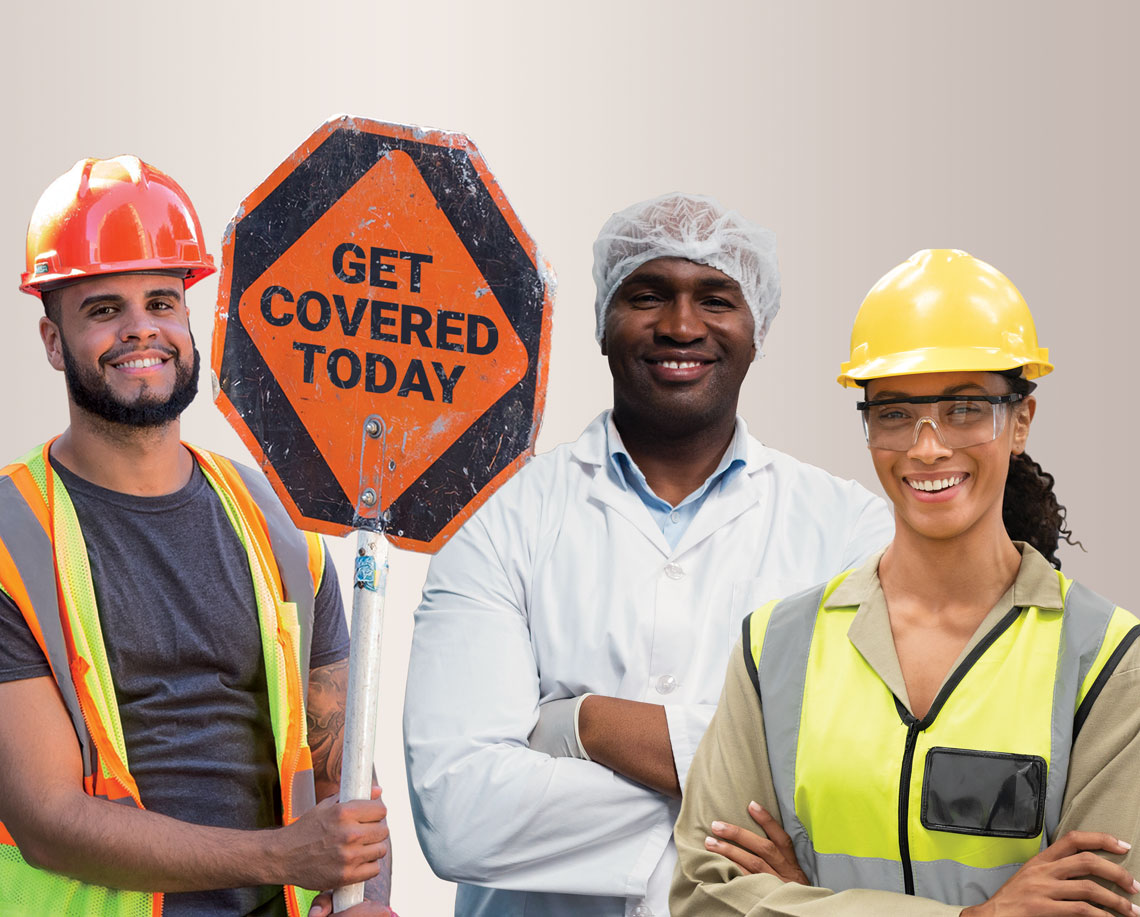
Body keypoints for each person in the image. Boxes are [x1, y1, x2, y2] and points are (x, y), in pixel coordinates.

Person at [0, 155, 390, 917]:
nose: (141, 329)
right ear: (53, 340)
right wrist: (282, 854)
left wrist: (364, 899)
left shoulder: (284, 521)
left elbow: (345, 773)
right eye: (103, 309)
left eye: (162, 301)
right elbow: (49, 822)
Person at [403, 193, 894, 917]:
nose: (682, 325)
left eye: (716, 298)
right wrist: (752, 812)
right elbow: (460, 815)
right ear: (604, 321)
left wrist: (581, 726)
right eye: (648, 294)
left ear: (758, 326)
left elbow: (865, 777)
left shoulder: (851, 531)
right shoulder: (497, 515)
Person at [671, 249, 1140, 916]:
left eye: (966, 408)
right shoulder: (775, 650)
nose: (926, 447)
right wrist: (981, 915)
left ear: (1021, 421)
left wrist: (801, 902)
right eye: (894, 413)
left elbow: (1104, 908)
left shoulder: (1109, 662)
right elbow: (702, 897)